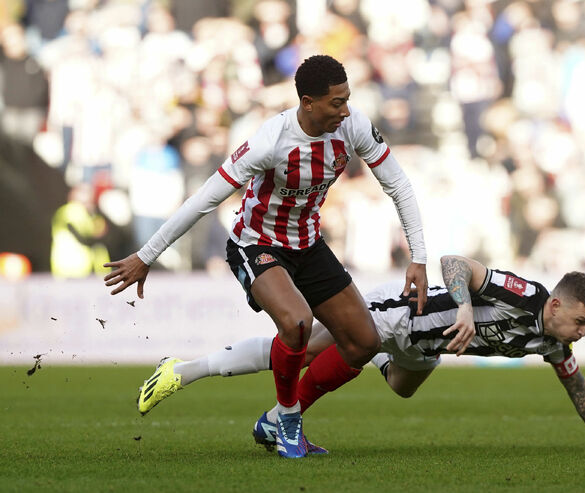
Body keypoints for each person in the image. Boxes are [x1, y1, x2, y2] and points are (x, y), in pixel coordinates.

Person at [103, 55, 428, 458]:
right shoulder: (270, 141)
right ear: (307, 102)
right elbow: (204, 199)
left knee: (362, 343)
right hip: (255, 243)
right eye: (335, 103)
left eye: (347, 100)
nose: (344, 110)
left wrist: (419, 257)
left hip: (308, 244)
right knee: (296, 324)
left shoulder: (354, 126)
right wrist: (146, 255)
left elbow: (399, 185)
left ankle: (268, 415)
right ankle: (289, 421)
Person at [138, 255, 585, 453]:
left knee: (400, 387)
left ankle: (375, 359)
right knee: (296, 345)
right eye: (580, 321)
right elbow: (455, 264)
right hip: (400, 313)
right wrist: (466, 308)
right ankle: (182, 370)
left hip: (421, 350)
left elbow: (578, 389)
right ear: (557, 304)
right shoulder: (526, 294)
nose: (581, 333)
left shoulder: (554, 341)